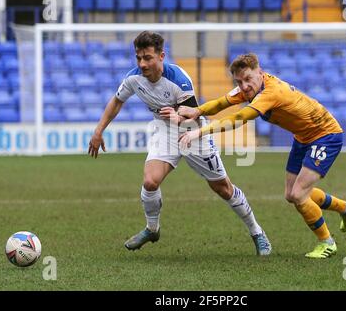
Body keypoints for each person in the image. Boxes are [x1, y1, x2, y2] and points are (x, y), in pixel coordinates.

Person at [88, 32, 271, 256]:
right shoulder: (133, 78)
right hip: (164, 131)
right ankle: (152, 229)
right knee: (150, 181)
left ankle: (257, 232)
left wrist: (177, 116)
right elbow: (116, 101)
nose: (142, 63)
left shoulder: (178, 79)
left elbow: (194, 115)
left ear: (161, 56)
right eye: (138, 58)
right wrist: (99, 131)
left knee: (223, 188)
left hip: (192, 133)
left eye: (147, 58)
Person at [178, 53, 346, 259]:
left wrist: (199, 131)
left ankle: (327, 242)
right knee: (291, 194)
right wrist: (197, 111)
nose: (244, 85)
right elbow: (222, 103)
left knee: (299, 194)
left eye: (248, 79)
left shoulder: (271, 92)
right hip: (303, 137)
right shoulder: (249, 89)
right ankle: (345, 208)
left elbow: (239, 118)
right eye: (239, 81)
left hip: (325, 135)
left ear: (260, 72)